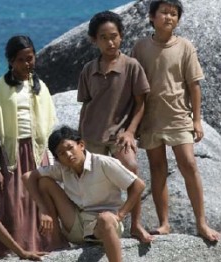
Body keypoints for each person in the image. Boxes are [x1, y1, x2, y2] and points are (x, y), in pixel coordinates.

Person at [131, 0, 221, 241]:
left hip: (179, 116)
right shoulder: (140, 47)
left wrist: (197, 120)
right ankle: (164, 224)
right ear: (152, 16)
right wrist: (133, 122)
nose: (168, 17)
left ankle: (202, 223)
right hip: (151, 118)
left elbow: (194, 86)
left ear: (178, 20)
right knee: (157, 169)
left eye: (173, 14)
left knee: (189, 165)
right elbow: (134, 87)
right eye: (164, 13)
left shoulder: (185, 47)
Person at [0, 35, 66, 258]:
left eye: (31, 58)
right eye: (21, 60)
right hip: (12, 156)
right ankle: (16, 251)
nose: (28, 64)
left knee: (42, 203)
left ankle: (46, 248)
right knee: (13, 205)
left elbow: (48, 127)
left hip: (38, 154)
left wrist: (52, 162)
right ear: (10, 61)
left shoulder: (40, 87)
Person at [77, 11, 153, 243]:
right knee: (94, 186)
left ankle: (135, 225)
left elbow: (141, 103)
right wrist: (80, 137)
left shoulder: (131, 66)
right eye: (104, 38)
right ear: (94, 40)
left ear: (121, 37)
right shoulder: (89, 69)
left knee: (132, 170)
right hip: (91, 136)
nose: (110, 42)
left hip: (120, 136)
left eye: (114, 36)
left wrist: (130, 131)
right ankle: (96, 231)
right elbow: (86, 104)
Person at [22, 126, 146, 262]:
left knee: (105, 219)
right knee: (44, 182)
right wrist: (43, 210)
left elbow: (138, 185)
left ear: (81, 145)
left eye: (70, 148)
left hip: (105, 226)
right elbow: (28, 177)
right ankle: (57, 241)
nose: (68, 155)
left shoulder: (102, 163)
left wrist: (120, 215)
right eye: (62, 153)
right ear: (57, 158)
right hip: (77, 225)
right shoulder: (62, 169)